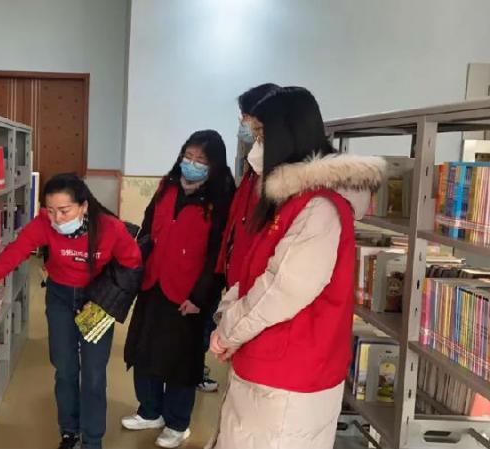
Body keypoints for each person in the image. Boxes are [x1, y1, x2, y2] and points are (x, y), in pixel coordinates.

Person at [209, 87, 385, 449]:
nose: (255, 147)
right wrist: (227, 317)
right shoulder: (288, 200)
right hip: (264, 365)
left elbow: (281, 291)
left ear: (288, 135)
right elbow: (252, 271)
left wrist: (228, 331)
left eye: (261, 136)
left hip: (289, 378)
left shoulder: (320, 209)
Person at [0, 173, 142, 449]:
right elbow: (14, 253)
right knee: (65, 369)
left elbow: (132, 265)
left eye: (64, 210)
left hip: (97, 301)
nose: (57, 219)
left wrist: (106, 301)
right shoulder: (43, 225)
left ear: (84, 206)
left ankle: (92, 440)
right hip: (60, 297)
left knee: (94, 374)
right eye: (50, 211)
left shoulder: (110, 228)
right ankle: (69, 432)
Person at [122, 130, 235, 448]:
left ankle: (177, 423)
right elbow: (147, 228)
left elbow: (218, 255)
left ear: (214, 165)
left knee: (180, 361)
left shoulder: (220, 199)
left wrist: (201, 297)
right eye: (188, 156)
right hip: (153, 282)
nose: (192, 163)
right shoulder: (167, 186)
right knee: (144, 350)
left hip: (188, 294)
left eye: (201, 160)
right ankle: (150, 411)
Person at [199, 83, 281, 395]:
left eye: (248, 119)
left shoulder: (279, 175)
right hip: (237, 282)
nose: (243, 126)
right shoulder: (253, 167)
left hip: (256, 290)